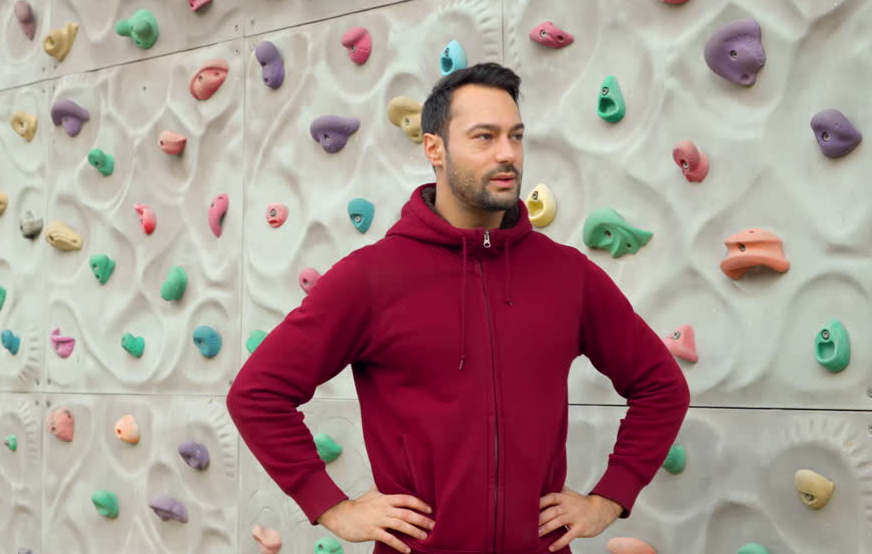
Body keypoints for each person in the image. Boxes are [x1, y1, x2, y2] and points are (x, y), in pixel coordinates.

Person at [227, 62, 691, 554]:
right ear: (434, 148)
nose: (507, 154)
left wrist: (609, 498)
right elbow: (257, 394)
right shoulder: (371, 277)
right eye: (484, 137)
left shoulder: (567, 275)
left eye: (516, 136)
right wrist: (332, 506)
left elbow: (661, 386)